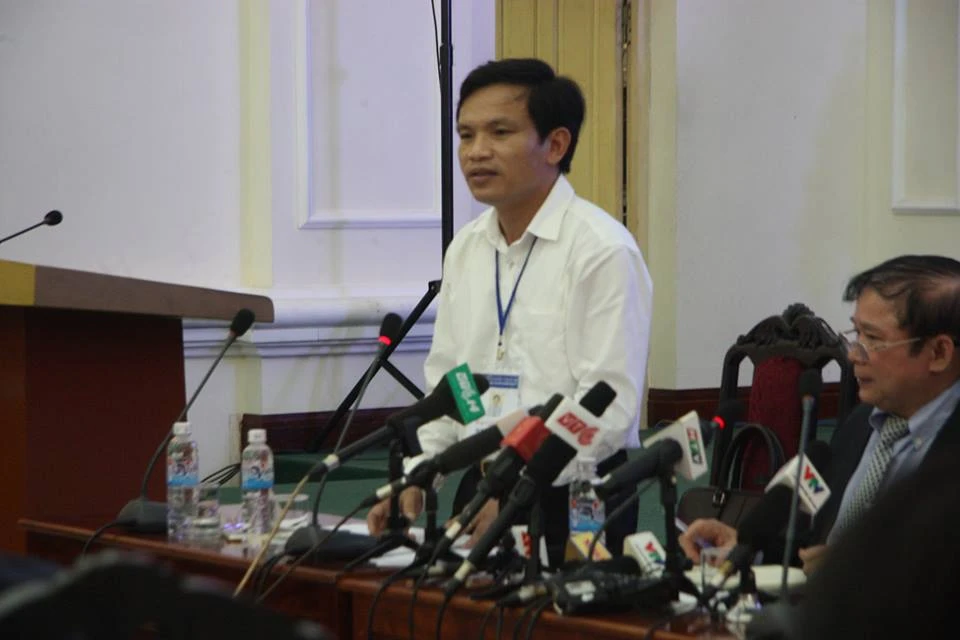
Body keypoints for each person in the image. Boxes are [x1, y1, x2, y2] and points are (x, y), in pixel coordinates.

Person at [366, 58, 653, 566]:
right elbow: (452, 386)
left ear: (556, 145)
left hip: (576, 500)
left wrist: (519, 487)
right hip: (482, 490)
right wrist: (419, 476)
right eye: (466, 135)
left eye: (499, 133)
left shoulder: (601, 250)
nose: (476, 151)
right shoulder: (467, 249)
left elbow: (607, 406)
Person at [680, 255, 960, 575]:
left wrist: (857, 571)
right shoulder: (860, 424)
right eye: (856, 334)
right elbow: (815, 547)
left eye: (873, 339)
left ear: (939, 353)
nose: (853, 354)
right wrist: (744, 549)